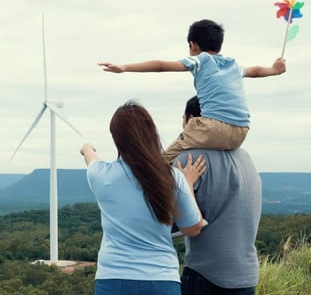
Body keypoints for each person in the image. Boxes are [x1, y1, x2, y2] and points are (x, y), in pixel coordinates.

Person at [98, 19, 286, 164]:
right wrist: (275, 70)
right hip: (241, 133)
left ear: (193, 45)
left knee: (165, 159)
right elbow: (256, 71)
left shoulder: (201, 60)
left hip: (213, 128)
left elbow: (161, 66)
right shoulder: (233, 65)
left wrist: (124, 67)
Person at [80, 101, 206, 295]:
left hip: (113, 280)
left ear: (117, 139)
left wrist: (88, 148)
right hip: (161, 280)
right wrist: (188, 183)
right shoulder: (173, 178)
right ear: (151, 134)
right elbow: (192, 227)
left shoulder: (101, 176)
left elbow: (91, 159)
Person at [175, 95, 262, 295]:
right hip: (245, 275)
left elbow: (178, 222)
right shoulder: (245, 157)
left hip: (206, 273)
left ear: (192, 121)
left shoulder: (189, 159)